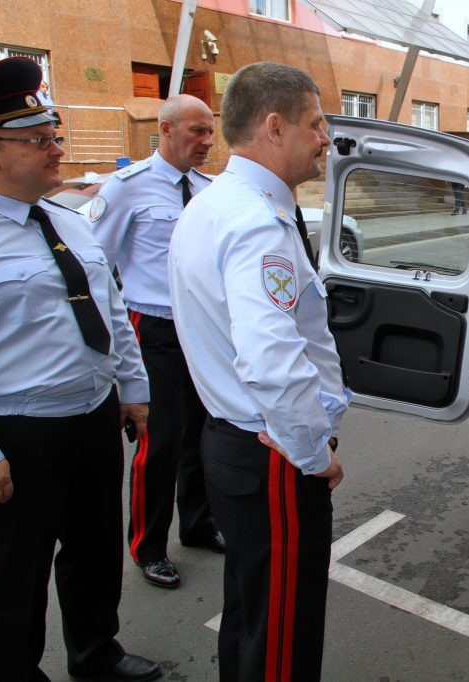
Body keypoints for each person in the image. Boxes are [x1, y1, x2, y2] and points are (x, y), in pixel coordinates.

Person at [0, 57, 160, 682]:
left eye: (56, 136)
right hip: (19, 433)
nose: (56, 149)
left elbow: (114, 310)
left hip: (94, 417)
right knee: (15, 573)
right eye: (38, 140)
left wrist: (133, 388)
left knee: (96, 554)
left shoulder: (73, 223)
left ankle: (96, 655)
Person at [167, 62, 350, 681]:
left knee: (252, 613)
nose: (326, 137)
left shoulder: (214, 203)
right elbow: (272, 358)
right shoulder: (256, 223)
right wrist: (311, 451)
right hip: (271, 452)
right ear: (274, 127)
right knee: (281, 632)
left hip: (237, 441)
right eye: (315, 122)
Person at [91, 94, 222, 589]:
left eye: (210, 132)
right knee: (159, 440)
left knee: (203, 434)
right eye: (196, 132)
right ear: (165, 130)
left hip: (201, 328)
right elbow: (94, 264)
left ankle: (198, 525)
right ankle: (148, 547)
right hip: (153, 328)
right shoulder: (127, 188)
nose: (207, 142)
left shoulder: (209, 190)